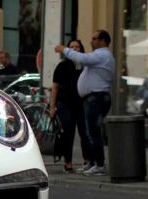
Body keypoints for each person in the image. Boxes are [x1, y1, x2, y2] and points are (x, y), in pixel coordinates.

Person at [55, 29, 115, 176]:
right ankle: (93, 163)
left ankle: (99, 164)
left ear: (103, 41)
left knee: (93, 132)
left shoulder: (102, 54)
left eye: (94, 38)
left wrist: (65, 49)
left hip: (96, 97)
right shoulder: (100, 55)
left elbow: (82, 59)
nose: (91, 41)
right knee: (90, 132)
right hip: (93, 98)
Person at [49, 38, 84, 173]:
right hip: (65, 104)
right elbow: (55, 87)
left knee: (84, 132)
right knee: (68, 133)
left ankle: (87, 161)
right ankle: (68, 162)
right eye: (72, 47)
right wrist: (52, 107)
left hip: (81, 104)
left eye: (77, 47)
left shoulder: (84, 65)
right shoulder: (62, 66)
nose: (75, 49)